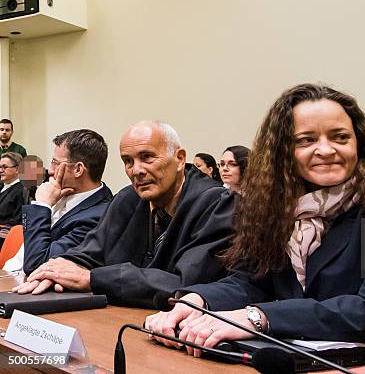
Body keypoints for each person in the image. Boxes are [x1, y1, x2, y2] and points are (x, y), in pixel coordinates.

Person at [145, 83, 365, 357]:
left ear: (359, 142)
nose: (326, 150)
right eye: (306, 140)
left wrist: (258, 318)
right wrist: (197, 301)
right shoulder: (275, 206)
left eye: (340, 137)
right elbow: (252, 280)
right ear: (283, 152)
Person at [13, 121, 235, 309]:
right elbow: (91, 253)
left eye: (147, 157)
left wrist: (92, 278)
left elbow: (185, 284)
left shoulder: (215, 204)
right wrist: (55, 271)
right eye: (128, 161)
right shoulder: (128, 198)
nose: (136, 170)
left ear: (179, 159)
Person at [10, 130, 113, 275]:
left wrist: (42, 205)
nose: (50, 171)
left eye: (55, 163)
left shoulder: (98, 217)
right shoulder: (59, 194)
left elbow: (37, 265)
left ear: (78, 169)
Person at [0, 152, 25, 246]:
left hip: (5, 241)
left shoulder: (22, 191)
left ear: (17, 169)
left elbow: (17, 221)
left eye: (4, 167)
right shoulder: (2, 187)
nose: (0, 170)